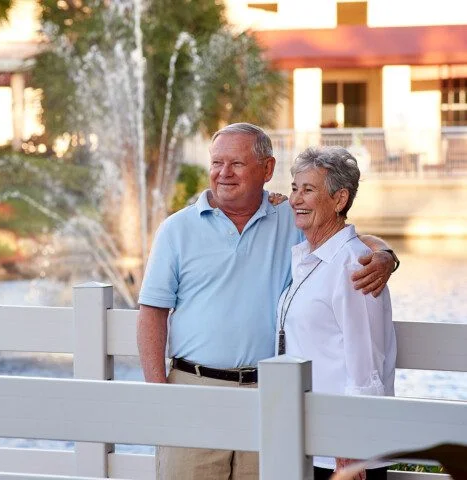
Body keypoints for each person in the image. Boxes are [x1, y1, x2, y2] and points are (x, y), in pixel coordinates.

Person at [137, 123, 399, 480]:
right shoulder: (176, 229)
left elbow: (345, 236)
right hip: (194, 390)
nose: (223, 173)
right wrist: (159, 394)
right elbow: (152, 312)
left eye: (237, 164)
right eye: (216, 162)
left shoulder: (291, 219)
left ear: (267, 169)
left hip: (270, 395)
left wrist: (384, 254)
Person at [278, 146, 397, 480]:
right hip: (313, 439)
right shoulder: (308, 258)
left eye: (309, 190)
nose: (296, 199)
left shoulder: (353, 264)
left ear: (340, 199)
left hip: (342, 453)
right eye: (294, 188)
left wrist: (350, 447)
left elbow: (366, 364)